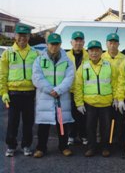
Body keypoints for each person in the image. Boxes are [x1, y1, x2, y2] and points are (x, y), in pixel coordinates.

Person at [32, 33, 75, 158]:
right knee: (43, 124)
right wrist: (50, 90)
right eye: (52, 44)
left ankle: (63, 147)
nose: (54, 47)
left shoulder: (67, 61)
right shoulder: (39, 60)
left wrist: (59, 90)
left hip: (61, 97)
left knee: (62, 123)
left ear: (60, 44)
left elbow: (70, 77)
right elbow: (36, 77)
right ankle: (41, 148)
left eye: (56, 44)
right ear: (47, 44)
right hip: (46, 97)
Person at [0, 24, 39, 157]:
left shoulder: (35, 53)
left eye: (25, 35)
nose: (22, 38)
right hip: (13, 94)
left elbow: (40, 74)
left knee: (28, 123)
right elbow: (2, 75)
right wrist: (4, 92)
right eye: (20, 35)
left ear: (29, 36)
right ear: (15, 36)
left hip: (29, 93)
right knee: (12, 122)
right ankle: (11, 146)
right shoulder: (8, 53)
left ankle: (26, 146)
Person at [74, 40, 117, 157]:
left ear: (101, 52)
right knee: (90, 127)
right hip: (90, 103)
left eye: (97, 50)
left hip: (106, 103)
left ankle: (105, 147)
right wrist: (79, 103)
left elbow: (115, 83)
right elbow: (78, 86)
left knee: (106, 127)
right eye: (91, 50)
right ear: (88, 52)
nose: (94, 53)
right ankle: (91, 148)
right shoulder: (83, 67)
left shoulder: (109, 66)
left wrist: (116, 99)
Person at [102, 33, 125, 146]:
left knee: (119, 121)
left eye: (115, 43)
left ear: (119, 44)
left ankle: (117, 142)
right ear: (106, 44)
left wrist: (118, 97)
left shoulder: (124, 59)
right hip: (105, 95)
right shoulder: (101, 57)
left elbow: (124, 79)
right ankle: (105, 142)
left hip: (120, 95)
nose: (112, 45)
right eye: (110, 43)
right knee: (105, 121)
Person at [66, 31, 89, 146]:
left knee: (83, 115)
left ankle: (84, 135)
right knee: (71, 114)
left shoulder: (89, 55)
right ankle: (71, 135)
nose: (78, 43)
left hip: (85, 90)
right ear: (71, 42)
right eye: (76, 41)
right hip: (70, 90)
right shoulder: (65, 56)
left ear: (84, 42)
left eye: (80, 41)